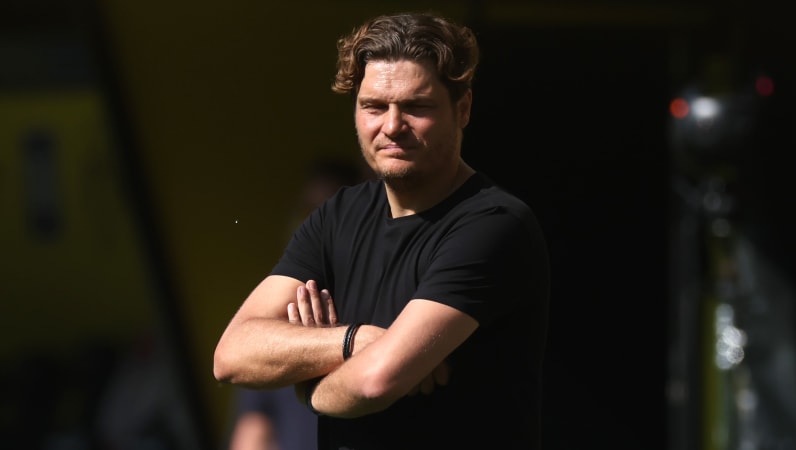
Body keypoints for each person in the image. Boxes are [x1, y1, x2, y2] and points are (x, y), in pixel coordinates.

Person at [214, 11, 550, 450]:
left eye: (416, 107)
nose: (391, 126)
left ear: (462, 108)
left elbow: (376, 381)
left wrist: (309, 387)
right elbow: (232, 355)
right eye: (374, 106)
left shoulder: (492, 225)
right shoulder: (338, 215)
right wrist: (359, 340)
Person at [227, 158, 367, 450]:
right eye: (308, 211)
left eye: (327, 213)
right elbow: (253, 430)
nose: (314, 224)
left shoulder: (383, 299)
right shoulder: (279, 310)